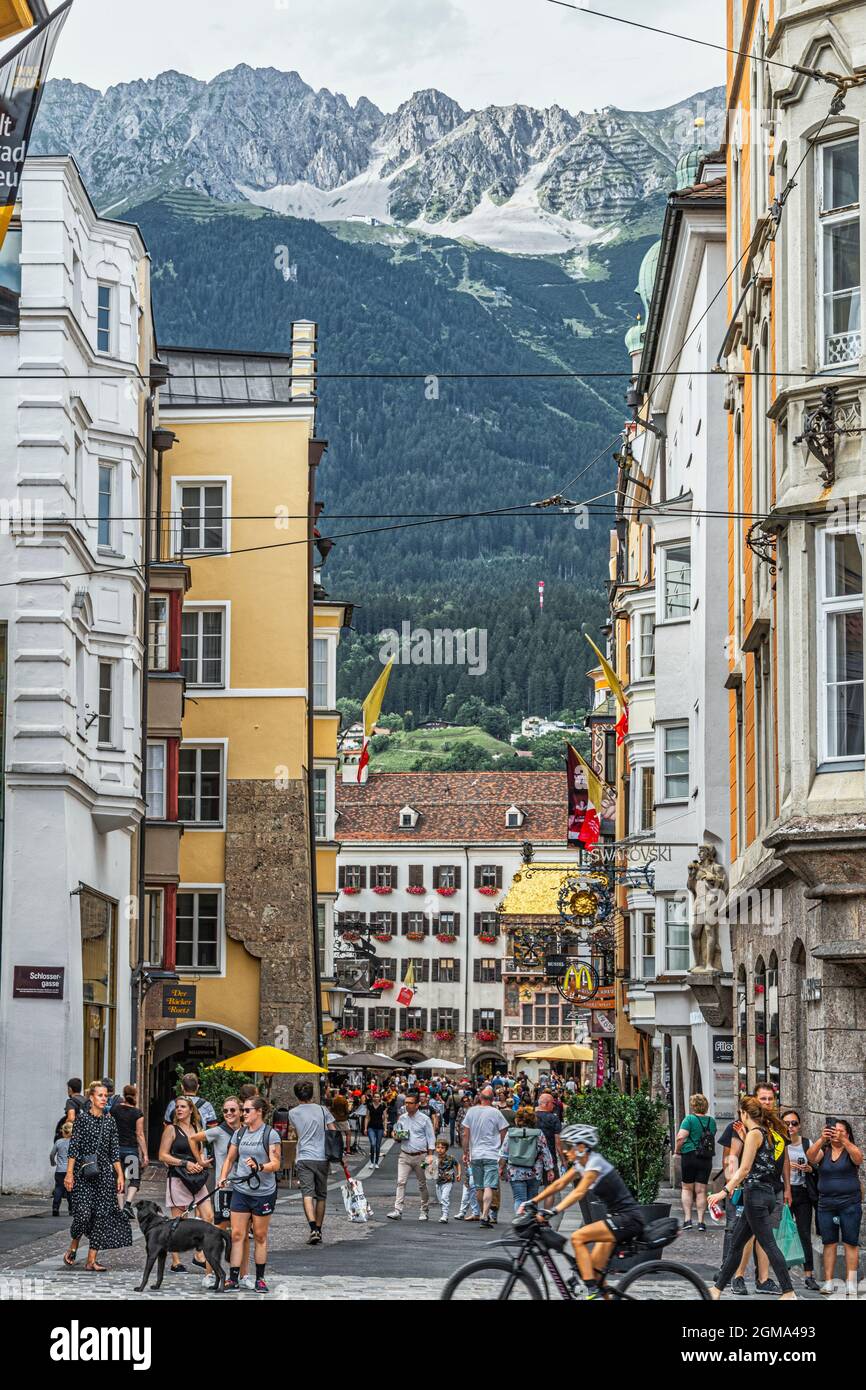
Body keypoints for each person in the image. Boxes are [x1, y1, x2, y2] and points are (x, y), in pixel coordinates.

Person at [526, 1124, 644, 1300]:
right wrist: (533, 1200)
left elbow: (579, 1192)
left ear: (581, 1148)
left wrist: (553, 1211)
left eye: (569, 1146)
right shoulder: (583, 1164)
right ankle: (596, 1289)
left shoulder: (595, 1163)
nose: (565, 1151)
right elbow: (560, 1184)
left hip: (628, 1219)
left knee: (578, 1237)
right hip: (617, 1219)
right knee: (596, 1275)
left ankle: (591, 1291)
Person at [707, 1096, 796, 1300]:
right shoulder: (773, 1134)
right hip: (767, 1195)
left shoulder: (755, 1134)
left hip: (755, 1195)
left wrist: (724, 1191)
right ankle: (717, 1289)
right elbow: (768, 1164)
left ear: (744, 1114)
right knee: (737, 1244)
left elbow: (744, 1168)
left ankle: (789, 1291)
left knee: (769, 1244)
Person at [724, 1080, 791, 1295]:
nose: (767, 1102)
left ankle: (763, 1279)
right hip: (751, 1189)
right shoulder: (744, 1125)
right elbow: (734, 1157)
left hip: (773, 1189)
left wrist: (787, 1187)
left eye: (771, 1099)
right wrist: (731, 1184)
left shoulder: (777, 1126)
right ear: (755, 1100)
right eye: (763, 1098)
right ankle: (738, 1276)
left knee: (765, 1235)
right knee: (748, 1236)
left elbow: (784, 1159)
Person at [63, 1080, 132, 1272]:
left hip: (104, 1175)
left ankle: (91, 1260)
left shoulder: (110, 1121)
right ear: (91, 1097)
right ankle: (74, 1245)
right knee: (83, 1214)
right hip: (83, 1173)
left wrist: (120, 1175)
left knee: (101, 1217)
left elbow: (114, 1152)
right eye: (100, 1095)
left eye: (106, 1096)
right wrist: (69, 1174)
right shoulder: (82, 1120)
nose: (104, 1099)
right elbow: (73, 1148)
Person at [218, 1094, 282, 1293]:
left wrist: (259, 1167)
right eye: (243, 1110)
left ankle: (260, 1279)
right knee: (237, 1234)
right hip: (241, 1190)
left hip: (263, 1192)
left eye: (247, 1110)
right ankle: (233, 1278)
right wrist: (223, 1177)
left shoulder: (270, 1134)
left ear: (259, 1111)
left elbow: (276, 1163)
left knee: (261, 1236)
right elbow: (230, 1159)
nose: (243, 1113)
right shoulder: (240, 1134)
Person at [194, 1096, 252, 1285]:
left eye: (233, 1110)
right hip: (224, 1188)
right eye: (225, 1110)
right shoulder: (218, 1131)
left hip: (244, 1188)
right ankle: (210, 1274)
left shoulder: (247, 1131)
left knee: (242, 1233)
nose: (228, 1114)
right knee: (217, 1233)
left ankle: (244, 1276)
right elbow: (193, 1138)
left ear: (240, 1111)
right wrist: (201, 1161)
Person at [806, 1117, 864, 1297]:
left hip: (850, 1203)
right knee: (828, 1242)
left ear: (847, 1133)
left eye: (840, 1131)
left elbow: (859, 1158)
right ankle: (829, 1281)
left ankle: (851, 1282)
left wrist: (844, 1140)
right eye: (834, 1130)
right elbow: (810, 1157)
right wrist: (822, 1139)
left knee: (850, 1242)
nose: (836, 1134)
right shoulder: (825, 1150)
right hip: (827, 1203)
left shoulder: (850, 1150)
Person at [159, 1093, 215, 1278]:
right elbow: (162, 1155)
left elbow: (198, 1155)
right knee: (178, 1220)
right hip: (178, 1176)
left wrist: (202, 1163)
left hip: (196, 1178)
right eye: (177, 1107)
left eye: (183, 1106)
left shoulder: (196, 1127)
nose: (179, 1109)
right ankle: (176, 1261)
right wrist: (184, 1164)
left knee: (208, 1216)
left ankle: (198, 1253)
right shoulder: (171, 1130)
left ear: (191, 1109)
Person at [289, 1081, 337, 1246]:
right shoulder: (323, 1110)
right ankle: (319, 1228)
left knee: (307, 1194)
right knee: (321, 1196)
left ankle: (312, 1229)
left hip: (304, 1157)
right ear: (312, 1094)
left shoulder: (293, 1113)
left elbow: (295, 1132)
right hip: (322, 1157)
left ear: (297, 1095)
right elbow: (332, 1130)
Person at [781, 1109, 820, 1291]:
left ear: (799, 1125)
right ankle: (783, 1271)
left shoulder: (806, 1143)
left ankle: (808, 1275)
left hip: (803, 1192)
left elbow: (817, 1165)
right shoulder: (780, 1144)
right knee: (784, 1232)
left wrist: (808, 1169)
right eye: (787, 1123)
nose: (790, 1127)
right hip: (784, 1192)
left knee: (804, 1233)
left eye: (794, 1123)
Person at [461, 1085, 509, 1228]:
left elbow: (465, 1134)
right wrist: (499, 1148)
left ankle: (484, 1214)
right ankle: (484, 1215)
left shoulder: (471, 1112)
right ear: (493, 1099)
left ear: (480, 1098)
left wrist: (466, 1152)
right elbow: (504, 1131)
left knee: (479, 1187)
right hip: (491, 1154)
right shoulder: (496, 1113)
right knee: (489, 1186)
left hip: (476, 1154)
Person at [387, 1091, 436, 1221]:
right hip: (405, 1155)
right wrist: (395, 1135)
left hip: (421, 1155)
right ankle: (397, 1210)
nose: (407, 1105)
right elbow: (396, 1134)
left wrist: (430, 1156)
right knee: (400, 1182)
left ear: (417, 1105)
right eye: (406, 1103)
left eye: (410, 1103)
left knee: (422, 1184)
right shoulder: (402, 1118)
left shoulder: (425, 1119)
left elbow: (431, 1138)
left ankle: (424, 1211)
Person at [675, 1092, 717, 1231]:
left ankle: (687, 1220)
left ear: (693, 1106)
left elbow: (681, 1137)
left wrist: (677, 1151)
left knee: (687, 1188)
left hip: (690, 1155)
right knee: (701, 1190)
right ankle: (701, 1222)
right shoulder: (712, 1121)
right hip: (706, 1158)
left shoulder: (689, 1119)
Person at [501, 1104, 554, 1211]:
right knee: (533, 1199)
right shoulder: (538, 1134)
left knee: (519, 1199)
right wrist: (549, 1170)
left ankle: (520, 1223)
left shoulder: (511, 1133)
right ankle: (531, 1224)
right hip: (534, 1171)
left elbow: (504, 1153)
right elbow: (545, 1152)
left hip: (515, 1171)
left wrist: (501, 1168)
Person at [113, 1084, 148, 1207]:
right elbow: (139, 1134)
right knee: (134, 1179)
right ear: (135, 1095)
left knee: (119, 1178)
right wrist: (145, 1154)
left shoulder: (115, 1110)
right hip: (131, 1152)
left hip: (116, 1152)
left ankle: (121, 1207)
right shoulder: (137, 1113)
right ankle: (128, 1204)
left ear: (123, 1095)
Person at [534, 1090, 563, 1174]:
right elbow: (558, 1143)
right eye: (552, 1103)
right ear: (547, 1104)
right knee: (553, 1185)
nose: (554, 1106)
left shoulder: (531, 1117)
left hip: (532, 1158)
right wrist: (563, 1160)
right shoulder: (553, 1118)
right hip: (550, 1158)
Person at [50, 1122, 74, 1217]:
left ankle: (55, 1208)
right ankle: (71, 1209)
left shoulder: (58, 1142)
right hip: (71, 1170)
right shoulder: (74, 1142)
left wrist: (53, 1163)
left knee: (58, 1189)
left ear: (63, 1132)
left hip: (59, 1170)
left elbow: (52, 1154)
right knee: (70, 1190)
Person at [434, 1138, 461, 1222]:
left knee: (445, 1198)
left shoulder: (450, 1158)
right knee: (441, 1200)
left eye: (442, 1148)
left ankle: (445, 1216)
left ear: (446, 1149)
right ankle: (443, 1213)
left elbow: (457, 1164)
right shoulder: (434, 1159)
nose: (440, 1149)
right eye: (438, 1147)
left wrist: (459, 1173)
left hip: (448, 1182)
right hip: (438, 1182)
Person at [364, 1091, 386, 1168]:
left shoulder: (383, 1106)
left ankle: (376, 1162)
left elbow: (385, 1118)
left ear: (380, 1098)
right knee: (373, 1144)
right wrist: (365, 1128)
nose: (376, 1098)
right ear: (373, 1098)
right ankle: (371, 1162)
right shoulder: (369, 1106)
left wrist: (385, 1129)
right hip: (371, 1127)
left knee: (378, 1145)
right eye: (375, 1097)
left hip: (380, 1127)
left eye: (378, 1097)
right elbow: (367, 1117)